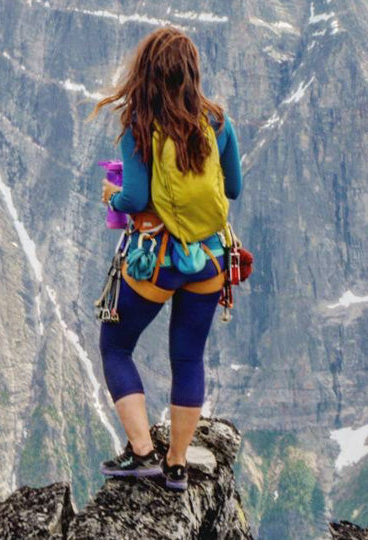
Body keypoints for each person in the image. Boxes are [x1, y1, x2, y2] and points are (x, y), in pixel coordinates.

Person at [88, 27, 243, 491]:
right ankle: (177, 464)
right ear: (192, 73)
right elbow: (231, 189)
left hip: (158, 259)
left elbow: (135, 197)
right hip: (211, 258)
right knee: (188, 357)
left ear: (147, 73)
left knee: (115, 345)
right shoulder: (217, 122)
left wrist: (113, 198)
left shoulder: (140, 125)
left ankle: (143, 454)